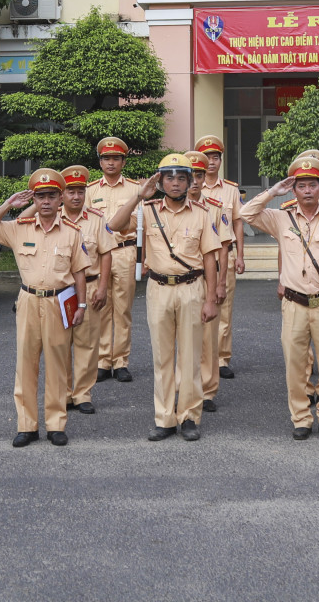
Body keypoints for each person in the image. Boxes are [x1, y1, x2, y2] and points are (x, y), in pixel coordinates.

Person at [108, 154, 224, 441]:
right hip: (159, 289)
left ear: (189, 182)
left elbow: (210, 258)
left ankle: (188, 417)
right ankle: (164, 418)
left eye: (181, 178)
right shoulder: (147, 210)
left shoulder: (201, 213)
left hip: (191, 289)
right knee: (162, 357)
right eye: (169, 178)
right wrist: (138, 195)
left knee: (190, 356)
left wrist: (211, 299)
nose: (175, 183)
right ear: (160, 181)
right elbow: (113, 225)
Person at [241, 153, 319, 440]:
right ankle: (301, 418)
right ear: (293, 188)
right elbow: (245, 215)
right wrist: (272, 192)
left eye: (312, 185)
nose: (307, 190)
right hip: (293, 304)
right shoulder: (281, 218)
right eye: (301, 185)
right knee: (294, 365)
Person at [0, 170, 89, 448]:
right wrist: (8, 205)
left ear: (61, 198)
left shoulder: (72, 233)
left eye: (52, 196)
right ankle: (27, 426)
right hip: (28, 301)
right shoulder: (20, 227)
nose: (46, 201)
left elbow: (79, 273)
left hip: (59, 302)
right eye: (40, 196)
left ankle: (56, 425)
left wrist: (82, 305)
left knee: (57, 365)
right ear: (35, 199)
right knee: (26, 366)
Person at [82, 137, 141, 382]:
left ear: (123, 162)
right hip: (98, 256)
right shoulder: (90, 190)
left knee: (123, 309)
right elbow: (84, 223)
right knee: (101, 306)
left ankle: (121, 361)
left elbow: (139, 224)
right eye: (106, 158)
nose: (111, 163)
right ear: (100, 162)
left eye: (116, 158)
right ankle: (104, 361)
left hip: (124, 251)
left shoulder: (135, 189)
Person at [59, 166, 114, 417]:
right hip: (60, 291)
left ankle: (82, 394)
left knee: (87, 345)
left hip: (90, 287)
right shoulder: (52, 218)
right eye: (71, 191)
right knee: (59, 344)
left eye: (81, 191)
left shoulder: (96, 218)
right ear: (62, 194)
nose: (77, 197)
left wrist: (103, 287)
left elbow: (105, 253)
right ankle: (62, 394)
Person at [196, 134, 242, 380]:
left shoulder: (231, 190)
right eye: (207, 158)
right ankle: (202, 357)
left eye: (215, 157)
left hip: (224, 256)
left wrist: (241, 255)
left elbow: (237, 223)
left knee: (224, 310)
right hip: (197, 262)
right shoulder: (190, 188)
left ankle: (222, 358)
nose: (211, 162)